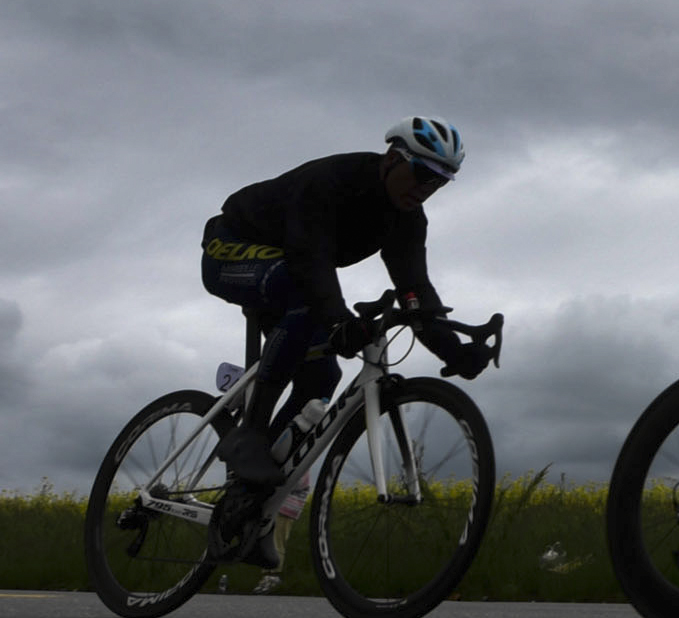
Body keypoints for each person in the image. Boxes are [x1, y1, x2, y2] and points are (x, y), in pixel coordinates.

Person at [199, 116, 483, 492]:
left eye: (440, 181)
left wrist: (455, 353)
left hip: (289, 270)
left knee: (323, 376)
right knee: (303, 296)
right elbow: (308, 258)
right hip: (230, 248)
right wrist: (338, 321)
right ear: (393, 158)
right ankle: (249, 434)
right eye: (422, 172)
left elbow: (415, 292)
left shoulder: (408, 220)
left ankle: (250, 492)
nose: (427, 187)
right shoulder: (334, 180)